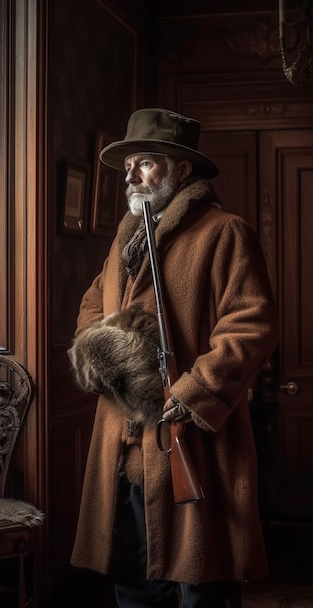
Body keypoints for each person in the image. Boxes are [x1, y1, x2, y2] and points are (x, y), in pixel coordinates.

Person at [68, 108, 278, 608]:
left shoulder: (226, 232)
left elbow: (251, 324)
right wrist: (109, 355)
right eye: (129, 166)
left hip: (192, 440)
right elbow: (91, 311)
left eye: (146, 163)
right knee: (134, 585)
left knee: (202, 586)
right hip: (124, 443)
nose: (132, 176)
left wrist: (191, 392)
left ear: (182, 170)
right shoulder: (125, 242)